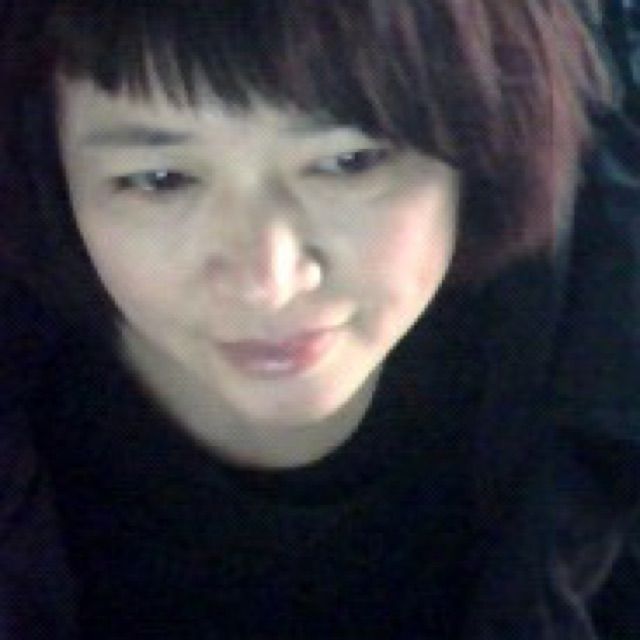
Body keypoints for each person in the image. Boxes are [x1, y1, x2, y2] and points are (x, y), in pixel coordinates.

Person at [0, 0, 638, 638]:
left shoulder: (602, 331)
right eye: (161, 179)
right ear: (48, 170)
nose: (267, 283)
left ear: (478, 143)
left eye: (347, 163)